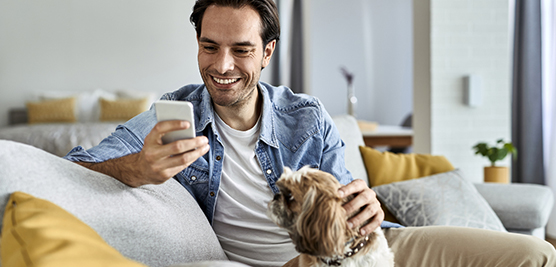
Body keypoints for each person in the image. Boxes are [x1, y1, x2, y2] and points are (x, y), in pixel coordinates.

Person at [65, 0, 556, 266]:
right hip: (298, 265)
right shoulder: (172, 116)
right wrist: (137, 167)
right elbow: (75, 165)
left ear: (268, 50)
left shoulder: (306, 115)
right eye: (209, 46)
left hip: (367, 248)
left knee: (533, 254)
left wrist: (364, 204)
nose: (221, 66)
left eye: (240, 49)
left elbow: (346, 200)